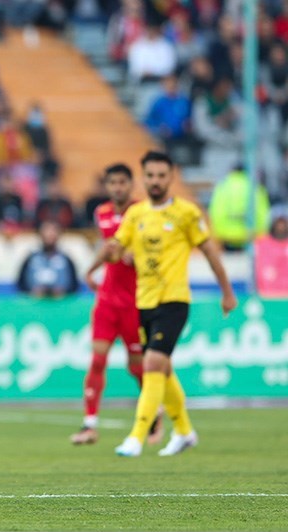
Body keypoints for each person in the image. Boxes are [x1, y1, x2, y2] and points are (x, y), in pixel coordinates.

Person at [109, 151, 237, 457]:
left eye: (161, 176)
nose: (155, 181)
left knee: (151, 363)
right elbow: (117, 246)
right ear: (144, 177)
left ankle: (137, 436)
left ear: (172, 177)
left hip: (175, 300)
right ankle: (184, 431)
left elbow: (209, 253)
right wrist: (114, 255)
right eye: (150, 176)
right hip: (145, 301)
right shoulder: (136, 214)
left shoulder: (186, 213)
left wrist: (227, 291)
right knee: (162, 369)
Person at [70, 163, 162, 446]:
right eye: (113, 183)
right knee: (98, 360)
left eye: (123, 182)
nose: (118, 188)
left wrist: (136, 255)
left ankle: (153, 417)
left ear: (131, 185)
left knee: (137, 366)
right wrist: (91, 269)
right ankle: (89, 425)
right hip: (108, 300)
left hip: (136, 301)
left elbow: (149, 249)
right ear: (107, 186)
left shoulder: (143, 212)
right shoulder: (103, 213)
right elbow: (109, 248)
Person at [15, 220, 78, 297]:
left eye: (53, 231)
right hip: (35, 303)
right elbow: (21, 284)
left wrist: (64, 291)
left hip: (60, 304)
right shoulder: (30, 259)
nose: (50, 235)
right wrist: (31, 291)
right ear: (40, 234)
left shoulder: (66, 260)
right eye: (46, 231)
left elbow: (74, 285)